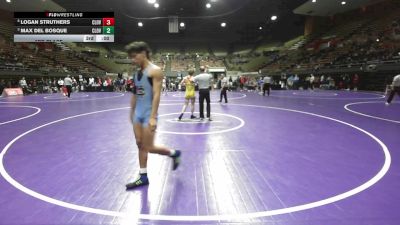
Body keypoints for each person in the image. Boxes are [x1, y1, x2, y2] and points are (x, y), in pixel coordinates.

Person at [125, 42, 181, 189]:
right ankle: (143, 176)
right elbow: (135, 93)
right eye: (131, 57)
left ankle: (173, 153)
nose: (132, 59)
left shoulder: (155, 71)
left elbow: (156, 94)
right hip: (137, 114)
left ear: (143, 53)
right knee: (139, 143)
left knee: (148, 147)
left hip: (149, 114)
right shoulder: (136, 73)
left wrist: (153, 116)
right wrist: (131, 111)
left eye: (134, 56)